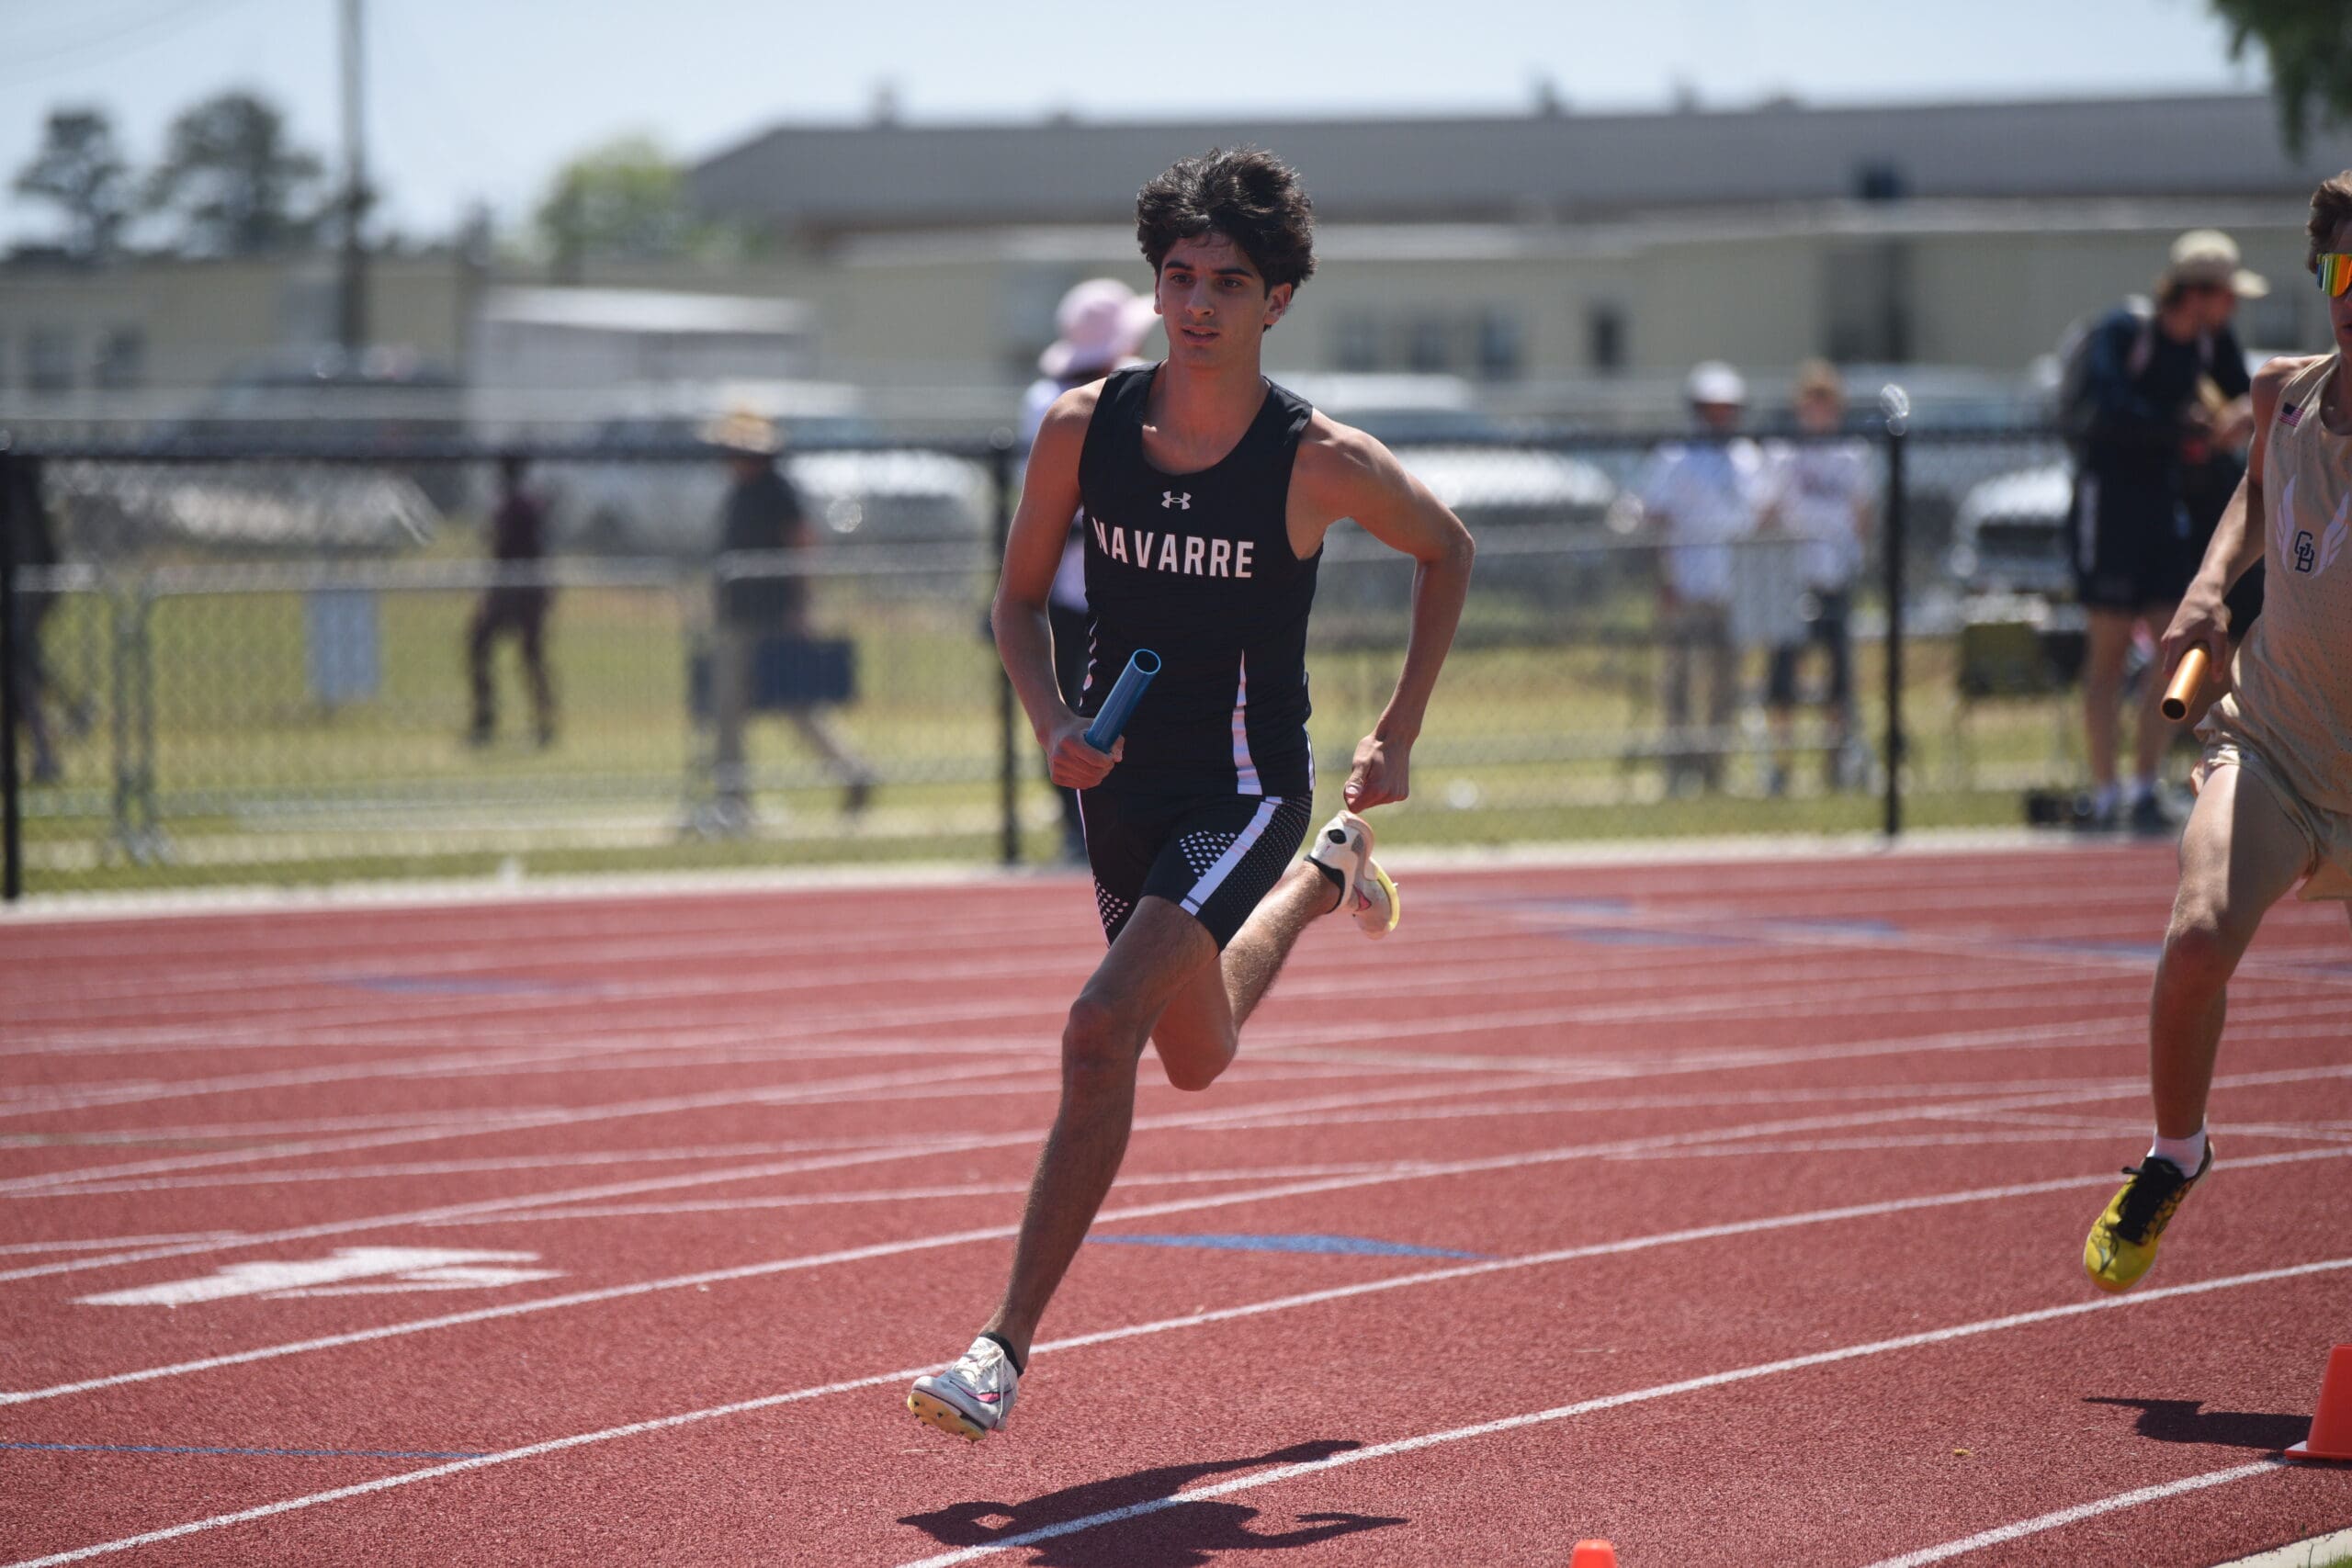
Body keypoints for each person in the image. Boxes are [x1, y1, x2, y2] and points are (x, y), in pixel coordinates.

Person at [908, 146, 1476, 1442]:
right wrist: (1053, 722)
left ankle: (998, 1351)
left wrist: (1397, 730)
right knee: (1196, 1056)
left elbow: (1447, 548)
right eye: (1178, 276)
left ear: (1279, 299)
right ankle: (1327, 880)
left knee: (1098, 1026)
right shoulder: (1083, 427)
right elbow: (1015, 603)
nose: (1199, 304)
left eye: (1228, 282)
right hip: (1120, 788)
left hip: (1242, 786)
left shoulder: (1315, 459)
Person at [2083, 177, 2352, 1295]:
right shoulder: (2284, 396)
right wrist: (2206, 592)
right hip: (2276, 744)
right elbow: (2252, 494)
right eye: (2342, 270)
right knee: (2196, 940)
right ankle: (2175, 1152)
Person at [2067, 230, 2261, 833]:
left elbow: (2244, 396)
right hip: (2111, 504)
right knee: (2108, 650)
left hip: (2163, 506)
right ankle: (2104, 792)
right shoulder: (2126, 332)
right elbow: (2110, 407)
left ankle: (2143, 785)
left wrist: (2234, 418)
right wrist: (2184, 427)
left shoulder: (2211, 342)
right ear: (2196, 293)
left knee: (2172, 648)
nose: (2233, 306)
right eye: (2226, 294)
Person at [1021, 278, 1160, 861]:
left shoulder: (1053, 397)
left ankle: (1108, 825)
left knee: (1110, 707)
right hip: (1087, 585)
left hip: (1098, 582)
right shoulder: (1086, 400)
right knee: (1069, 710)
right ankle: (1082, 826)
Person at [705, 412, 876, 828]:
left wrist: (802, 606)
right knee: (728, 708)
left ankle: (853, 772)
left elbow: (803, 546)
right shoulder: (739, 492)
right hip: (738, 617)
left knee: (796, 704)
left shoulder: (777, 491)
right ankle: (733, 799)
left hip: (773, 615)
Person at [1634, 362, 1762, 795]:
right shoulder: (1675, 457)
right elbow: (1656, 519)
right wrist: (1666, 579)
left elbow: (1760, 519)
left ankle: (1716, 770)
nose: (1720, 417)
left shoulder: (1747, 459)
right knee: (1680, 682)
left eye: (1727, 408)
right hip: (1686, 586)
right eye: (1712, 408)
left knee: (1726, 684)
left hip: (1733, 587)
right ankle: (1678, 770)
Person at [1759, 361, 1872, 793]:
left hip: (1834, 578)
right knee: (1783, 677)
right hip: (1793, 578)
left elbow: (1862, 515)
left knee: (1839, 678)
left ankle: (1835, 762)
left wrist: (1853, 556)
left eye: (1827, 404)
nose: (1819, 414)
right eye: (1812, 404)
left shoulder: (1851, 455)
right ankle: (1781, 765)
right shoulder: (1784, 454)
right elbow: (1767, 512)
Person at [465, 454, 556, 749]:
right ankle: (488, 718)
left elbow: (520, 546)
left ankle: (541, 722)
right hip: (510, 589)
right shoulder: (514, 504)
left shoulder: (521, 506)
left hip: (522, 590)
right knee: (485, 646)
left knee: (528, 655)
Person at [5, 456, 63, 784]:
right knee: (20, 669)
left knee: (20, 669)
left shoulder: (20, 480)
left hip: (27, 585)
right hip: (26, 584)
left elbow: (35, 547)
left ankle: (42, 753)